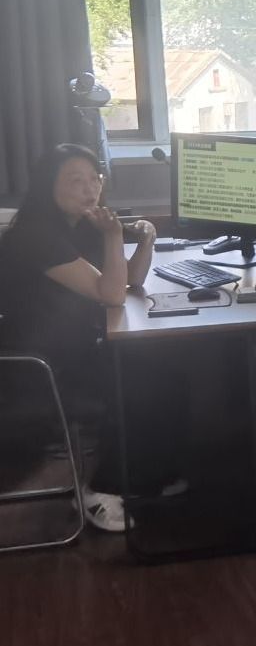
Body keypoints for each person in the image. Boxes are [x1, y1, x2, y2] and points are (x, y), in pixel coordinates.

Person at [0, 144, 157, 531]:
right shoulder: (36, 236)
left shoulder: (80, 226)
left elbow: (130, 279)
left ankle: (149, 474)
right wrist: (114, 235)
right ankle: (98, 489)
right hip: (36, 366)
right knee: (136, 383)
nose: (90, 189)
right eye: (75, 181)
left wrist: (146, 241)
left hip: (70, 348)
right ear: (47, 186)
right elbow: (113, 294)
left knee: (161, 371)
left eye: (94, 179)